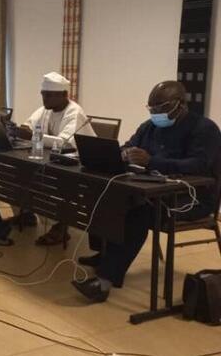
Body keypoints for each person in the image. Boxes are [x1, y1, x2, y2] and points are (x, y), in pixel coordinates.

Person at [72, 81, 221, 303]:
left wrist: (152, 161)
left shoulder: (204, 129)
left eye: (161, 108)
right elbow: (127, 145)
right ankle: (105, 255)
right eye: (152, 108)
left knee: (139, 211)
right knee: (106, 196)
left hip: (192, 198)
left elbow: (199, 165)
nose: (155, 113)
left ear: (180, 104)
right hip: (152, 189)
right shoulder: (149, 127)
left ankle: (104, 281)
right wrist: (125, 153)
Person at [11, 72, 95, 246]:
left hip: (78, 167)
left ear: (64, 95)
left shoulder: (74, 112)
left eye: (49, 95)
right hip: (53, 160)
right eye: (43, 94)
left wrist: (33, 135)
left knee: (48, 181)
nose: (44, 99)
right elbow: (29, 124)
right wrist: (21, 129)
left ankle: (60, 227)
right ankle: (25, 214)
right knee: (18, 172)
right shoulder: (46, 109)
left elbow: (66, 143)